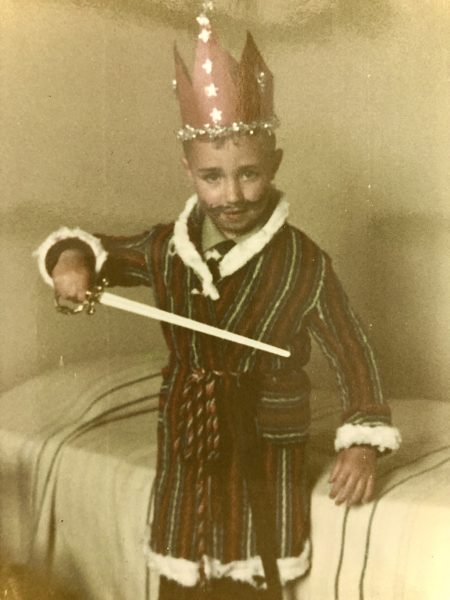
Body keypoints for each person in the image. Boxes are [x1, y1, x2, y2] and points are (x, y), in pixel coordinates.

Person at [35, 4, 401, 599]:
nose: (232, 195)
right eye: (212, 177)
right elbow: (92, 250)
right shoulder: (165, 247)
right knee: (182, 568)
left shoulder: (304, 261)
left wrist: (362, 442)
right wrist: (71, 263)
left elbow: (354, 351)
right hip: (187, 433)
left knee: (255, 571)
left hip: (266, 443)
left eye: (249, 174)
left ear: (274, 165)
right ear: (188, 170)